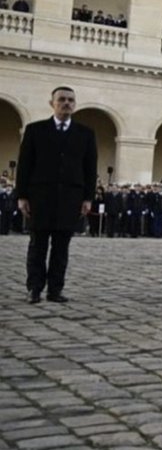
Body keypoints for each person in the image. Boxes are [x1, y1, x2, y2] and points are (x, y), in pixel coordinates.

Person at [16, 86, 97, 304]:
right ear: (52, 103)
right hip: (39, 198)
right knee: (37, 247)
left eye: (71, 100)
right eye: (61, 99)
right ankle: (34, 288)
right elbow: (24, 166)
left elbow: (90, 169)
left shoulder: (85, 134)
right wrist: (22, 195)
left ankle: (55, 290)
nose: (66, 103)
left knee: (61, 248)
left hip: (70, 199)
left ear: (75, 104)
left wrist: (88, 198)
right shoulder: (35, 130)